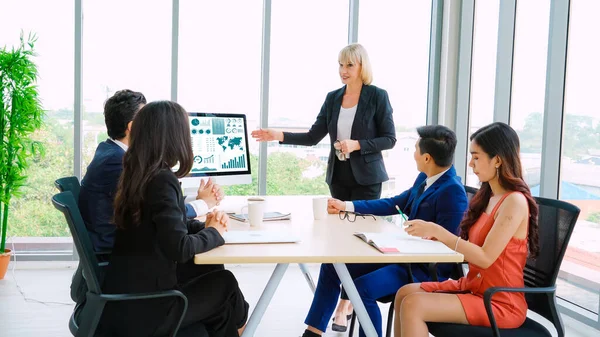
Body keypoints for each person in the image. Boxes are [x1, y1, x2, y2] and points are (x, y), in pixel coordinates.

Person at [301, 125, 469, 337]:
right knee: (332, 265)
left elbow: (449, 247)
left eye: (416, 149)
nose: (413, 154)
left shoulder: (452, 191)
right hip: (404, 255)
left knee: (363, 289)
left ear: (427, 158)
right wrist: (347, 206)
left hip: (423, 269)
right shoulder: (426, 178)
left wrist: (416, 237)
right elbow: (394, 203)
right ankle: (313, 332)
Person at [99, 101, 248, 337]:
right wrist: (215, 233)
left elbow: (163, 225)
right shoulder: (161, 179)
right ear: (173, 137)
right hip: (150, 309)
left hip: (129, 299)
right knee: (226, 285)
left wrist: (205, 226)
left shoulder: (138, 172)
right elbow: (179, 248)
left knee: (216, 284)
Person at [394, 122, 540, 337]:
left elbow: (485, 257)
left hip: (499, 301)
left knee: (414, 304)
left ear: (497, 160)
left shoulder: (514, 202)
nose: (470, 163)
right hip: (475, 287)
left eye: (476, 156)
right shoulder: (488, 197)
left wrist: (441, 233)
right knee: (404, 293)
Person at [79, 89, 223, 254]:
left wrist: (199, 204)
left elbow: (156, 207)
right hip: (121, 253)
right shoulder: (119, 163)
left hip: (125, 247)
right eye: (146, 120)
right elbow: (158, 214)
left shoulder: (110, 152)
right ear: (133, 127)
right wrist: (204, 204)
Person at [251, 43, 396, 202]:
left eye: (349, 65)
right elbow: (312, 137)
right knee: (339, 225)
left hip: (367, 178)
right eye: (340, 65)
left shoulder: (377, 96)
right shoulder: (332, 98)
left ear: (362, 66)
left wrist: (357, 145)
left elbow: (389, 139)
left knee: (361, 225)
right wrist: (278, 135)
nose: (343, 71)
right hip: (338, 177)